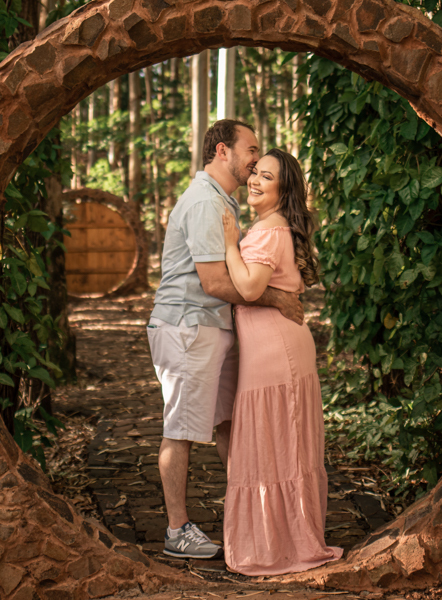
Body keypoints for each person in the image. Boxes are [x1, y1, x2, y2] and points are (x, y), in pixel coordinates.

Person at [147, 121, 304, 559]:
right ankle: (177, 530)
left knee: (229, 425)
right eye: (250, 148)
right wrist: (276, 298)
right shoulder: (202, 203)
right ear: (222, 151)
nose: (256, 158)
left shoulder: (224, 202)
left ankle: (260, 514)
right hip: (187, 327)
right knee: (180, 429)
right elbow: (215, 281)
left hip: (212, 328)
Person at [221, 149, 343, 576]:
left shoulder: (271, 230)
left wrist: (227, 244)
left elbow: (252, 287)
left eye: (265, 176)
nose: (254, 179)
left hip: (277, 353)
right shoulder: (269, 226)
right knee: (275, 446)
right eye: (255, 171)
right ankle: (281, 539)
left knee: (277, 446)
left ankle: (282, 545)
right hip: (274, 348)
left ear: (282, 189)